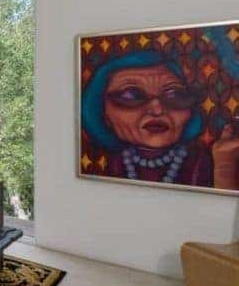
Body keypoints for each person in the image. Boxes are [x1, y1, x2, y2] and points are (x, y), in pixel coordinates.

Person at [82, 51, 239, 189]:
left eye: (174, 96)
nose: (157, 110)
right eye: (131, 96)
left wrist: (224, 167)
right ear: (103, 111)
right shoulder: (109, 166)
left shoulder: (205, 163)